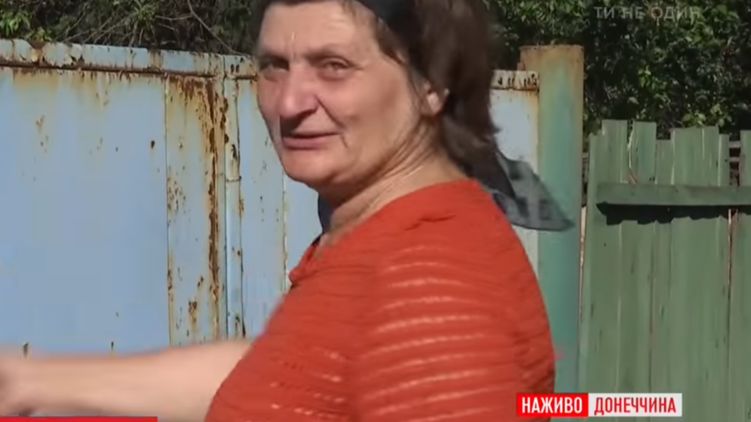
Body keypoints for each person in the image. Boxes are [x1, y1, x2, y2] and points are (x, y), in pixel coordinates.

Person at [0, 0, 570, 420]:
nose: (290, 103)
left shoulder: (430, 286)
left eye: (333, 66)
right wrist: (31, 382)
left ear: (432, 83)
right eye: (274, 65)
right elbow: (286, 376)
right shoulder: (380, 238)